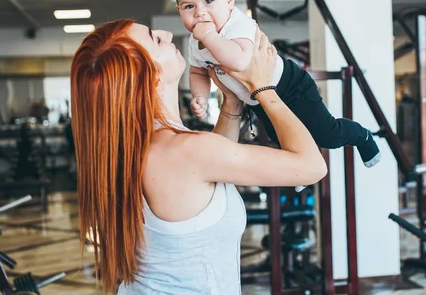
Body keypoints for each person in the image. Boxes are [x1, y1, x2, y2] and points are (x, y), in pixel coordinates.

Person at [70, 19, 327, 294]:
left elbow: (206, 179)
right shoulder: (184, 150)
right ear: (152, 75)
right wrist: (262, 87)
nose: (167, 33)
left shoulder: (134, 145)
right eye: (155, 39)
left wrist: (231, 102)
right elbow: (311, 166)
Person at [175, 0, 381, 169]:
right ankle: (299, 171)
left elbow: (239, 61)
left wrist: (209, 37)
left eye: (209, 1)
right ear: (179, 9)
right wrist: (199, 96)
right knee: (279, 137)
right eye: (189, 6)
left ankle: (361, 136)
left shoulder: (236, 24)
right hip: (258, 98)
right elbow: (198, 72)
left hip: (291, 86)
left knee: (327, 134)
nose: (200, 13)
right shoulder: (195, 42)